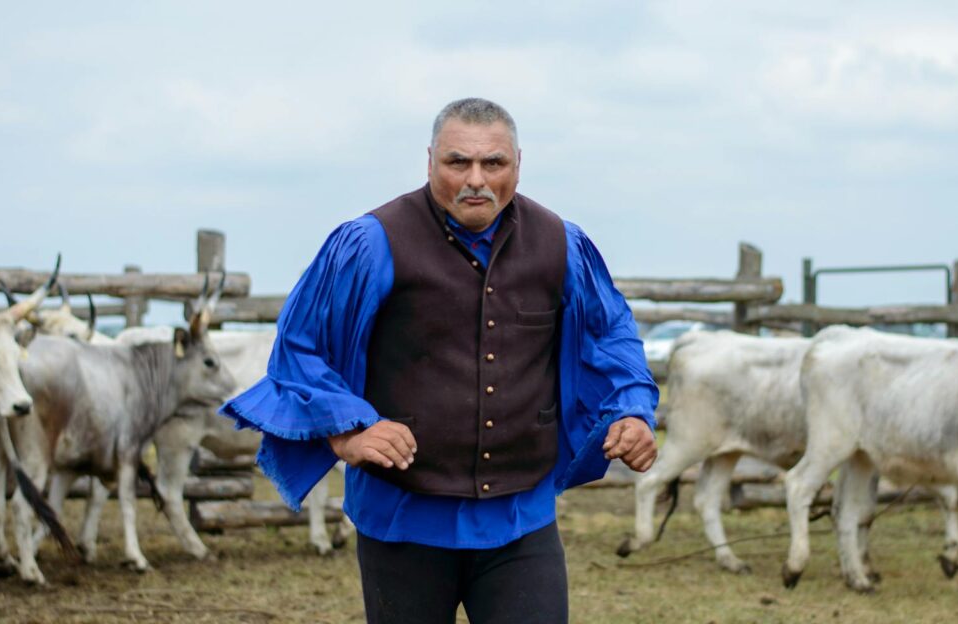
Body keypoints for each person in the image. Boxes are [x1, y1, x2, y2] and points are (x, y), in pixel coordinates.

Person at [221, 97, 659, 624]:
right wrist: (347, 431)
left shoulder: (562, 243)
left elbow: (609, 335)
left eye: (493, 163)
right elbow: (301, 349)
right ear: (431, 161)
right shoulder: (370, 243)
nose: (476, 179)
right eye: (458, 163)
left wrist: (631, 409)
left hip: (520, 518)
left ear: (518, 163)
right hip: (402, 518)